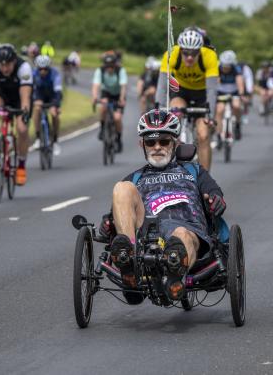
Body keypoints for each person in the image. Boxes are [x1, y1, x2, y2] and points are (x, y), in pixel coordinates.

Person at [105, 109, 227, 301]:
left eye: (164, 141)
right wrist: (107, 222)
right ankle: (128, 264)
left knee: (180, 235)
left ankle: (174, 276)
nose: (157, 147)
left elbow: (214, 191)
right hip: (145, 240)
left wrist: (215, 198)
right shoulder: (135, 177)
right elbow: (116, 213)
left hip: (186, 229)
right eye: (151, 142)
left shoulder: (193, 170)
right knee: (121, 188)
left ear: (175, 143)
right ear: (142, 145)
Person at [156, 27, 219, 171]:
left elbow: (212, 90)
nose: (189, 57)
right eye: (186, 53)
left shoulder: (209, 56)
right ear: (181, 50)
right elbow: (162, 86)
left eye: (194, 53)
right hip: (180, 91)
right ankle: (173, 151)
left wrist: (210, 116)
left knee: (203, 136)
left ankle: (205, 180)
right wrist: (159, 109)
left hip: (202, 94)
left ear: (200, 50)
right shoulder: (171, 54)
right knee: (174, 114)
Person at [0, 44, 33, 185]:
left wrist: (24, 112)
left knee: (22, 129)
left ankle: (21, 166)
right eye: (2, 65)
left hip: (20, 98)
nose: (5, 69)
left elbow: (25, 95)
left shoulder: (24, 68)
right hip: (2, 95)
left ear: (14, 61)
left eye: (8, 65)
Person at [92, 51, 128, 152]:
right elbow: (96, 85)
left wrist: (121, 99)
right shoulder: (100, 70)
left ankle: (119, 139)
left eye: (111, 66)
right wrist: (94, 97)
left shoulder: (121, 70)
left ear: (115, 65)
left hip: (118, 94)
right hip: (106, 93)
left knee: (117, 118)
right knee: (103, 106)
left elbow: (123, 87)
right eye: (107, 66)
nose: (109, 68)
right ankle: (103, 129)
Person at [32, 55, 63, 156]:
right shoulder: (33, 74)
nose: (43, 71)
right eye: (40, 69)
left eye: (45, 69)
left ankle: (55, 141)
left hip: (52, 96)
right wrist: (34, 100)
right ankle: (37, 138)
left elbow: (58, 92)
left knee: (55, 115)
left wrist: (55, 105)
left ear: (49, 67)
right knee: (36, 110)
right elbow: (30, 90)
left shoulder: (55, 74)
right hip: (40, 96)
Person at [213, 50, 244, 148]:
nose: (226, 68)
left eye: (228, 66)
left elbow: (240, 82)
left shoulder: (236, 69)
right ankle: (218, 135)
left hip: (233, 92)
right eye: (224, 65)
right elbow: (215, 82)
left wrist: (241, 92)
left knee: (236, 106)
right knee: (219, 110)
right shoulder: (217, 68)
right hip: (221, 92)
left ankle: (238, 125)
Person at [238, 59, 254, 125]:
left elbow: (249, 80)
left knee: (245, 101)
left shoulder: (247, 69)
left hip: (245, 86)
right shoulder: (235, 68)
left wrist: (249, 91)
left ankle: (245, 114)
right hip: (237, 85)